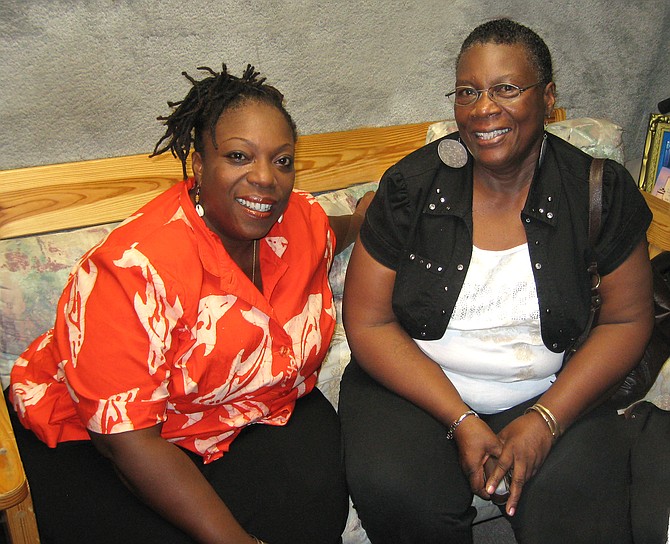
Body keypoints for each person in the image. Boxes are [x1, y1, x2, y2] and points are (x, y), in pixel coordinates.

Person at [8, 63, 371, 544]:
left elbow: (334, 231)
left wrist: (368, 215)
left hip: (240, 414)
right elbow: (126, 442)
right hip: (104, 441)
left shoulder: (299, 221)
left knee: (314, 510)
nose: (266, 178)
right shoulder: (131, 271)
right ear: (199, 166)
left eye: (282, 160)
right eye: (240, 156)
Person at [338, 18, 656, 544]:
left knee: (575, 509)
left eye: (507, 88)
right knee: (402, 493)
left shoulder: (598, 190)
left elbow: (627, 318)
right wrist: (461, 420)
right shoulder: (411, 188)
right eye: (468, 91)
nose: (484, 108)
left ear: (548, 97)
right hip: (413, 387)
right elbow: (368, 322)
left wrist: (545, 421)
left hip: (550, 390)